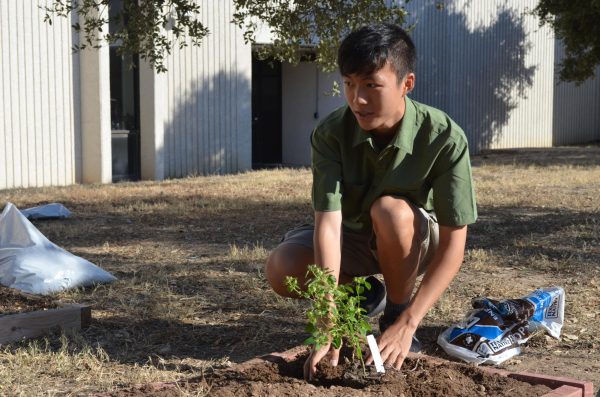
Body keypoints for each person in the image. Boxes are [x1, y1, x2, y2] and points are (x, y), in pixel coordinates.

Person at [265, 23, 477, 380]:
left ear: (406, 84)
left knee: (390, 211)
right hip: (352, 237)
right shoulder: (331, 133)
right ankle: (361, 298)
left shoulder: (444, 137)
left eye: (371, 86)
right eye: (349, 84)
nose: (357, 99)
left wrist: (410, 322)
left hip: (412, 241)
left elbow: (456, 241)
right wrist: (328, 315)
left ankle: (394, 311)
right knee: (282, 266)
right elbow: (329, 224)